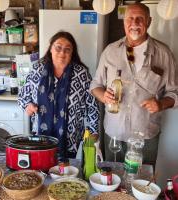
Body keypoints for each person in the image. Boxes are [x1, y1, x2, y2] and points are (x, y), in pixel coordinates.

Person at [90, 3, 178, 166]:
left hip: (145, 136)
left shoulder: (164, 54)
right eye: (130, 18)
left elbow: (175, 93)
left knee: (142, 184)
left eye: (140, 19)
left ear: (149, 21)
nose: (134, 23)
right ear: (124, 21)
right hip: (114, 133)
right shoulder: (110, 51)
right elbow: (95, 84)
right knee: (113, 182)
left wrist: (160, 104)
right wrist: (103, 96)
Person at [18, 31, 99, 160]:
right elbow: (23, 96)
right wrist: (28, 105)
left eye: (67, 49)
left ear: (72, 53)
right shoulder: (37, 69)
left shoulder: (81, 74)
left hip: (70, 138)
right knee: (42, 169)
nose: (62, 53)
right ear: (51, 48)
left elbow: (92, 106)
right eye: (58, 47)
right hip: (40, 136)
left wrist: (94, 132)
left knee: (65, 172)